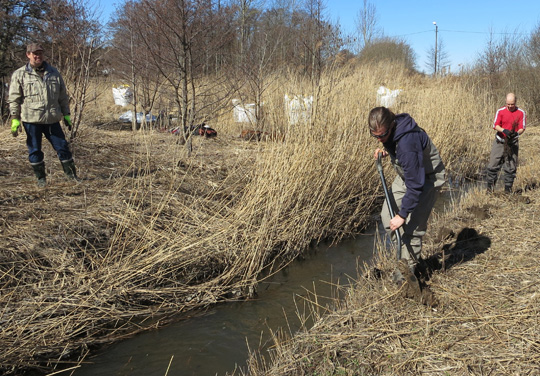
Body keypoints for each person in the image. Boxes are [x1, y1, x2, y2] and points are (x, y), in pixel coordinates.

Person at [368, 106, 446, 278]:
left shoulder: (407, 145)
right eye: (375, 136)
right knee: (388, 218)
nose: (380, 139)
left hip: (426, 179)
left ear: (392, 125)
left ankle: (406, 276)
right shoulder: (391, 132)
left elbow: (416, 185)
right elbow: (396, 150)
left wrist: (403, 215)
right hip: (408, 176)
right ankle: (406, 253)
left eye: (382, 135)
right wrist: (387, 150)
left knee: (412, 228)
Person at [8, 42, 77, 187]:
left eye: (40, 53)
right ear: (28, 55)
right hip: (31, 120)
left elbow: (62, 96)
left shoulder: (53, 72)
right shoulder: (20, 74)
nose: (38, 56)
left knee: (63, 147)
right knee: (34, 150)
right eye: (34, 54)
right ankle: (41, 180)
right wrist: (15, 118)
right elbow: (14, 98)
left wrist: (66, 115)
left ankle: (72, 177)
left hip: (52, 119)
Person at [486, 93, 526, 193]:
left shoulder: (521, 113)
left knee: (511, 167)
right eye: (508, 104)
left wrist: (516, 133)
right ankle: (489, 189)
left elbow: (522, 127)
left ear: (515, 102)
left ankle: (507, 191)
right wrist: (504, 130)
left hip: (512, 143)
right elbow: (495, 125)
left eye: (512, 104)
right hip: (500, 141)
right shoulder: (500, 111)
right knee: (493, 165)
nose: (510, 106)